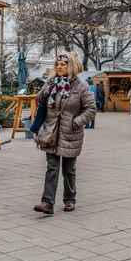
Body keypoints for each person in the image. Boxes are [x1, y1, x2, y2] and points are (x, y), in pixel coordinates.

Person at [33, 53, 97, 216]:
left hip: (70, 133)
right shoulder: (51, 82)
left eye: (63, 64)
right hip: (51, 131)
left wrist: (76, 122)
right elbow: (39, 99)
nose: (60, 66)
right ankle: (47, 203)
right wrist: (47, 89)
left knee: (69, 169)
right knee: (52, 168)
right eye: (58, 64)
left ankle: (69, 199)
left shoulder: (80, 86)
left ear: (71, 66)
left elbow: (91, 109)